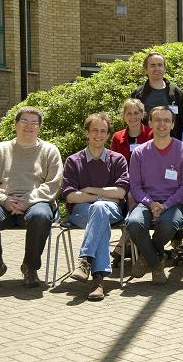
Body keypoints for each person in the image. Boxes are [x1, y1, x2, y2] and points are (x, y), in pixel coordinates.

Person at [0, 106, 63, 289]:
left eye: (34, 123)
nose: (29, 126)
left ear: (39, 127)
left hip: (35, 202)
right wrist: (4, 200)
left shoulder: (49, 150)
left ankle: (30, 267)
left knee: (40, 216)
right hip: (3, 203)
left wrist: (26, 200)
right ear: (15, 124)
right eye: (24, 121)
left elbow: (54, 184)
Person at [61, 113, 129, 301]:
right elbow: (70, 195)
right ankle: (98, 279)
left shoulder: (117, 159)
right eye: (94, 130)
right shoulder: (74, 161)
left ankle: (85, 261)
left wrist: (91, 191)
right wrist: (104, 195)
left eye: (103, 131)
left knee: (99, 209)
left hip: (112, 211)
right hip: (81, 212)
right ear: (87, 133)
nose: (98, 135)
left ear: (108, 135)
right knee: (100, 212)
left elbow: (121, 193)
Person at [125, 106, 183, 285]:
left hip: (175, 204)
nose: (161, 124)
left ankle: (146, 259)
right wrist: (151, 203)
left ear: (172, 124)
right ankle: (157, 263)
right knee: (133, 223)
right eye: (157, 120)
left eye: (166, 120)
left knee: (167, 224)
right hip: (146, 202)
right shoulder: (140, 152)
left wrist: (165, 205)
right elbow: (135, 186)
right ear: (149, 123)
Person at [130, 52, 183, 139]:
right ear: (145, 69)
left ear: (165, 68)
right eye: (152, 65)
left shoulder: (177, 93)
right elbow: (132, 122)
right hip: (145, 144)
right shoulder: (137, 95)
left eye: (160, 65)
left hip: (172, 144)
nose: (157, 68)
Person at [110, 98, 153, 163]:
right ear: (124, 116)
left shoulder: (152, 134)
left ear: (142, 114)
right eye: (129, 113)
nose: (132, 116)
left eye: (136, 113)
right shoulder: (117, 137)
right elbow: (114, 162)